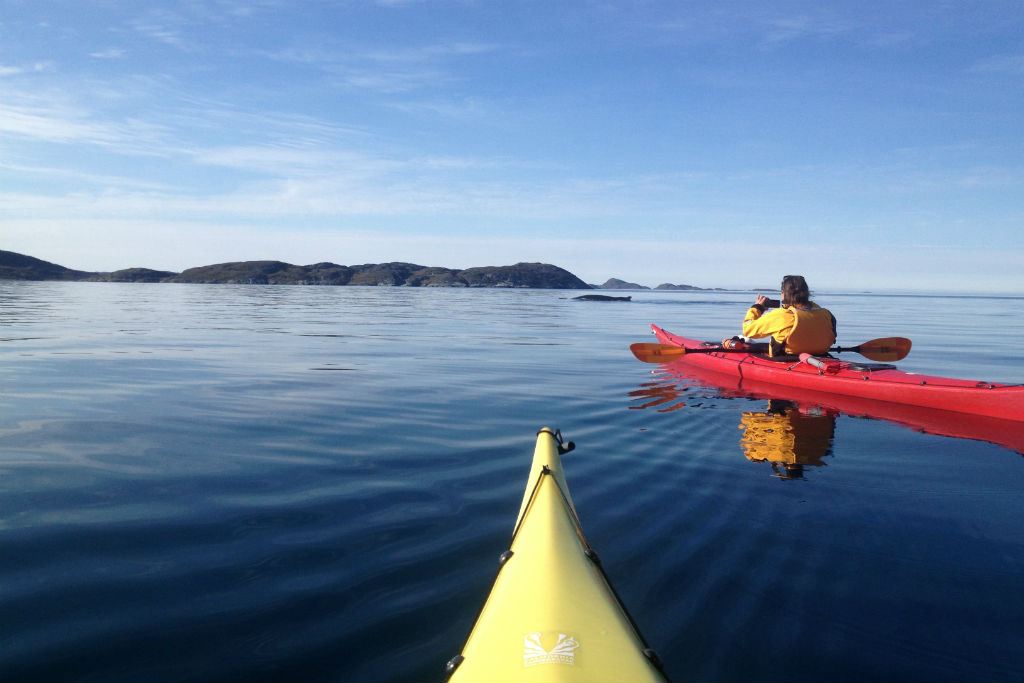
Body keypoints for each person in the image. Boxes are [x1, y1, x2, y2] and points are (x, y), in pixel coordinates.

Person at [735, 275, 836, 357]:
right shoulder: (826, 314)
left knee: (743, 341)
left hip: (786, 358)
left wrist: (758, 308)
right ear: (807, 293)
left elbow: (747, 330)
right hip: (820, 356)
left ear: (784, 294)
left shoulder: (783, 315)